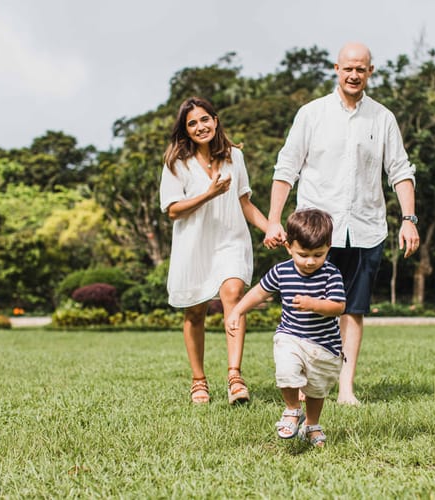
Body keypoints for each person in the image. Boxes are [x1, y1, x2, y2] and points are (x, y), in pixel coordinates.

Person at [264, 42, 420, 405]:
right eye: (348, 68)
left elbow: (400, 171)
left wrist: (408, 219)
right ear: (337, 68)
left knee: (353, 309)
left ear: (370, 72)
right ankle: (305, 381)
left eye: (361, 69)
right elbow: (286, 169)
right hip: (317, 232)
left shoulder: (382, 118)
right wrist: (274, 219)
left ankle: (345, 387)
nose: (354, 75)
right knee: (309, 305)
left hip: (366, 228)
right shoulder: (311, 114)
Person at [159, 96, 268, 405]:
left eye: (204, 119)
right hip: (193, 245)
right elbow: (173, 210)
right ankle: (199, 381)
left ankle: (235, 377)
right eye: (192, 123)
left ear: (216, 120)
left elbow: (245, 202)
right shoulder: (176, 163)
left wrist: (272, 228)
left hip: (230, 238)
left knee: (233, 294)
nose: (200, 126)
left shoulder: (235, 156)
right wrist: (208, 195)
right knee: (195, 311)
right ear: (185, 130)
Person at [227, 208, 345, 446]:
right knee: (286, 371)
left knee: (316, 390)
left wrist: (314, 304)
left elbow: (338, 306)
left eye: (318, 254)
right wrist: (237, 310)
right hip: (290, 336)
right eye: (303, 254)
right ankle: (292, 410)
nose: (311, 261)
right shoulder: (281, 271)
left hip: (323, 345)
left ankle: (311, 424)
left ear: (328, 247)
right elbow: (259, 292)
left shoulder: (331, 274)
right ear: (289, 247)